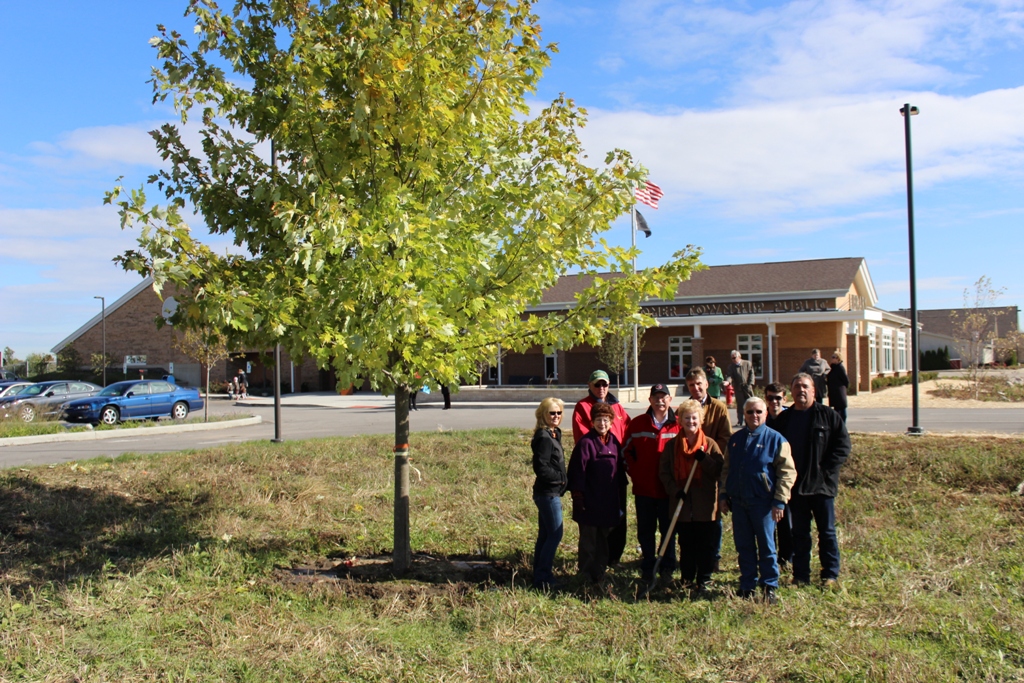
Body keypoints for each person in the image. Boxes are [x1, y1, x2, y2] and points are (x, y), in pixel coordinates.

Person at [771, 373, 851, 588]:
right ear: (791, 392)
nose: (801, 390)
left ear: (814, 391)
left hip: (822, 486)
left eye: (805, 386)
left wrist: (826, 471)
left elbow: (843, 447)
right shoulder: (784, 420)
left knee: (827, 532)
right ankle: (801, 575)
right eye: (797, 387)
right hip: (796, 488)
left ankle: (830, 575)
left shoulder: (828, 416)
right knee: (799, 533)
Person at [719, 397, 796, 604]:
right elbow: (726, 470)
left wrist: (780, 500)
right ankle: (747, 584)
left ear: (766, 414)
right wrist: (724, 494)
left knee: (767, 546)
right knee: (743, 546)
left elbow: (787, 473)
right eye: (750, 412)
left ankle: (769, 585)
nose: (754, 416)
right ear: (744, 415)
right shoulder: (735, 441)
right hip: (739, 503)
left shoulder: (776, 440)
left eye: (759, 412)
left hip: (763, 504)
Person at [660, 399, 724, 595]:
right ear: (680, 420)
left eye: (694, 418)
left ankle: (703, 579)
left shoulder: (710, 445)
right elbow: (664, 472)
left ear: (701, 420)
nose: (691, 422)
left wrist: (705, 460)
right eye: (687, 418)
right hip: (682, 505)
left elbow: (719, 471)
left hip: (705, 505)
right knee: (686, 544)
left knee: (706, 544)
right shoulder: (672, 446)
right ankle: (687, 579)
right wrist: (674, 490)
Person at [623, 384, 681, 582]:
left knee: (668, 530)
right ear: (650, 401)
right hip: (644, 488)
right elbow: (626, 452)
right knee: (646, 529)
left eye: (663, 397)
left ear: (670, 399)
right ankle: (648, 563)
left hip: (668, 490)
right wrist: (636, 473)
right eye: (656, 397)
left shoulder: (678, 425)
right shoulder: (638, 423)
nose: (660, 401)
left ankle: (667, 565)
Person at [572, 369, 631, 565]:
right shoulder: (583, 406)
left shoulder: (617, 407)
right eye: (597, 384)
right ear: (590, 385)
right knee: (593, 522)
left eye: (604, 384)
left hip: (616, 471)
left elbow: (628, 431)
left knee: (617, 517)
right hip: (596, 473)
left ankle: (613, 557)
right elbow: (584, 441)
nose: (601, 388)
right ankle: (592, 563)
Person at [567, 402, 627, 587]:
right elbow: (577, 473)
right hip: (589, 503)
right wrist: (578, 498)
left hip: (608, 502)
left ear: (611, 422)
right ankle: (584, 576)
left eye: (606, 420)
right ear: (592, 422)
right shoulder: (585, 444)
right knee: (588, 543)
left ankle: (599, 574)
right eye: (598, 420)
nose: (602, 424)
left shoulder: (614, 443)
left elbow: (620, 474)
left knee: (603, 543)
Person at [685, 367, 733, 572]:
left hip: (712, 467)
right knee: (694, 514)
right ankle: (694, 555)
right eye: (691, 385)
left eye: (698, 384)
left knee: (713, 514)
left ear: (706, 384)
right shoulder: (685, 408)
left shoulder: (719, 408)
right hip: (690, 470)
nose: (695, 388)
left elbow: (726, 437)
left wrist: (710, 456)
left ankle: (714, 556)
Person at [531, 397, 568, 590]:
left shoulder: (553, 433)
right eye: (551, 413)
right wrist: (560, 479)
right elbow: (541, 467)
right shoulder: (544, 437)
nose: (556, 416)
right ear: (543, 415)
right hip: (547, 494)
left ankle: (539, 573)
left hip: (549, 492)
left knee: (545, 535)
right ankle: (544, 577)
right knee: (555, 534)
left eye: (559, 413)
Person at [764, 382, 793, 570]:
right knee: (768, 522)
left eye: (778, 398)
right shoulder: (761, 417)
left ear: (785, 398)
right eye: (770, 398)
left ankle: (787, 557)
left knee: (786, 520)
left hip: (784, 475)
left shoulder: (791, 418)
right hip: (766, 478)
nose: (774, 402)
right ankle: (770, 556)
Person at [726, 351, 755, 426]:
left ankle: (749, 421)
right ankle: (740, 421)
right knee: (740, 405)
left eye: (734, 358)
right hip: (738, 388)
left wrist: (750, 384)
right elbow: (730, 376)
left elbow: (752, 374)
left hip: (747, 388)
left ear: (739, 356)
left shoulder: (747, 363)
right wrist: (728, 382)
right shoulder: (731, 367)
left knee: (750, 403)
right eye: (732, 358)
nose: (733, 360)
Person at [827, 351, 850, 423]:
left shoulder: (840, 367)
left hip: (839, 392)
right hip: (833, 392)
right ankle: (837, 427)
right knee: (836, 411)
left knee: (842, 411)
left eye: (834, 357)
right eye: (832, 357)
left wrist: (842, 388)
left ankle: (843, 426)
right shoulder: (833, 368)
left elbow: (846, 380)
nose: (832, 358)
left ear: (838, 359)